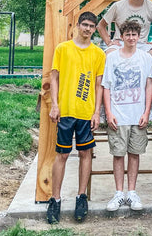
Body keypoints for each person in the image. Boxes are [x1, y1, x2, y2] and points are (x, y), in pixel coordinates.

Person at [46, 12, 106, 224]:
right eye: (85, 25)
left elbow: (99, 85)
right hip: (66, 112)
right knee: (61, 155)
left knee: (85, 154)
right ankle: (56, 199)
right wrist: (55, 104)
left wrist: (97, 111)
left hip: (85, 112)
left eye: (92, 26)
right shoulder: (63, 49)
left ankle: (81, 197)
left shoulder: (98, 54)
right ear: (78, 26)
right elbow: (54, 78)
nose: (88, 29)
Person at [102, 20, 152, 212]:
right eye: (128, 34)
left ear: (139, 36)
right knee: (118, 154)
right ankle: (118, 192)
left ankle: (131, 192)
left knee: (134, 153)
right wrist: (108, 112)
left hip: (137, 113)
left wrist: (147, 111)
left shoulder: (145, 58)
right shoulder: (112, 58)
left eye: (134, 34)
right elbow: (106, 86)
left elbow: (149, 85)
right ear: (121, 36)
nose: (131, 38)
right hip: (118, 114)